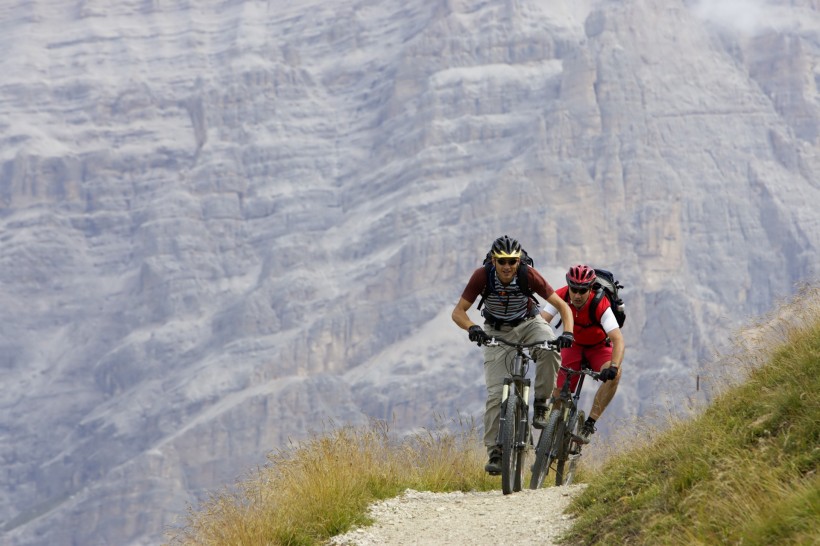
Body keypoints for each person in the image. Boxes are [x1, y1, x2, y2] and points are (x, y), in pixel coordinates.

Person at [452, 235, 575, 474]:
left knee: (550, 348)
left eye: (512, 261)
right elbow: (458, 312)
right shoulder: (482, 276)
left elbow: (563, 306)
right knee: (496, 394)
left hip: (529, 323)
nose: (507, 266)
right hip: (495, 330)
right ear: (494, 261)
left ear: (519, 261)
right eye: (502, 261)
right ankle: (495, 452)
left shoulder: (528, 275)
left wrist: (567, 333)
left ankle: (540, 402)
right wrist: (473, 328)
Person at [540, 264, 625, 442]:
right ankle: (550, 438)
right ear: (569, 286)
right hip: (573, 345)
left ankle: (589, 422)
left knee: (616, 375)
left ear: (590, 288)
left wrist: (614, 366)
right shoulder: (561, 295)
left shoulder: (600, 303)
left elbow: (618, 340)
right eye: (574, 289)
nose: (577, 295)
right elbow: (541, 323)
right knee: (558, 396)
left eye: (582, 290)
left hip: (599, 347)